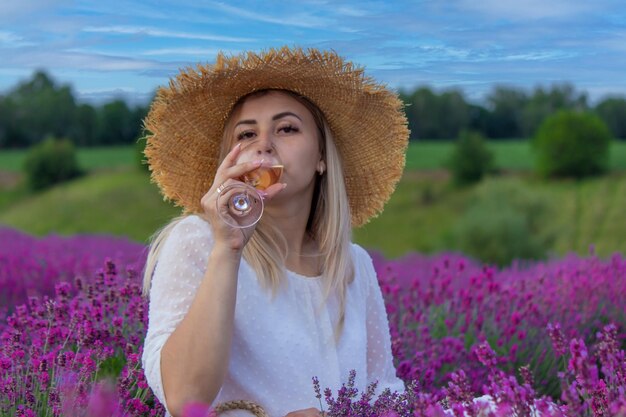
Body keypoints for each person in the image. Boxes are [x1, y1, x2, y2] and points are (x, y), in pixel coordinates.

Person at [141, 46, 410, 417]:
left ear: (320, 158)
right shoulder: (198, 241)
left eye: (286, 128)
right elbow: (186, 399)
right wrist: (227, 248)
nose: (263, 145)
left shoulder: (353, 266)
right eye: (246, 134)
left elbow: (384, 392)